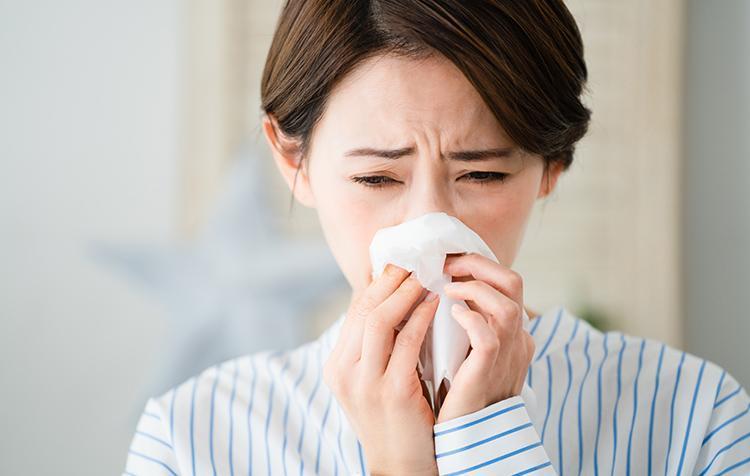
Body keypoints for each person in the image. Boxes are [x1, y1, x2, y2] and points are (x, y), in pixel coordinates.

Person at [124, 1, 750, 474]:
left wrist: (486, 439)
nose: (428, 226)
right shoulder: (192, 440)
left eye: (482, 173)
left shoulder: (694, 417)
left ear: (552, 166)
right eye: (376, 177)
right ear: (295, 162)